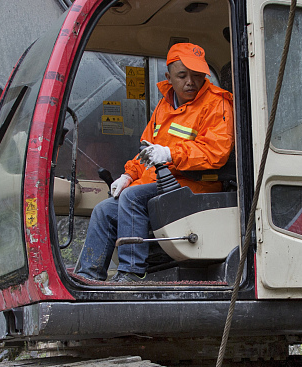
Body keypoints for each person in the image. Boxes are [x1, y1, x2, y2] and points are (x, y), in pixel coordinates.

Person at [75, 42, 233, 282]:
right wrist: (128, 175)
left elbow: (215, 151)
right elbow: (147, 152)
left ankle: (130, 273)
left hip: (194, 186)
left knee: (132, 198)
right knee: (104, 210)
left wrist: (170, 154)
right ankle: (88, 277)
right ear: (169, 77)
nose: (190, 82)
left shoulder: (217, 104)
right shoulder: (165, 105)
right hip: (161, 183)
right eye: (182, 76)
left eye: (197, 75)